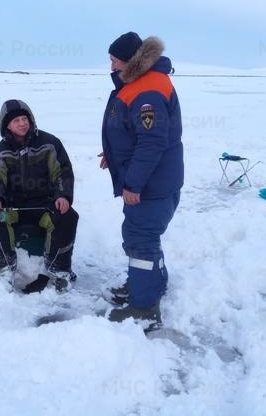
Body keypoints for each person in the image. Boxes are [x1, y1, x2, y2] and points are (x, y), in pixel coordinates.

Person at [99, 32, 184, 328]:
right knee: (145, 237)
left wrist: (133, 184)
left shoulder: (147, 90)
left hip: (151, 185)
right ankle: (149, 285)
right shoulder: (140, 82)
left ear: (130, 60)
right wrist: (113, 153)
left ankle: (144, 307)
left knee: (140, 239)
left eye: (113, 59)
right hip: (155, 180)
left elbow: (151, 143)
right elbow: (135, 134)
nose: (110, 65)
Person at [0, 99, 79, 291]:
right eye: (16, 121)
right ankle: (4, 269)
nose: (22, 123)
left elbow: (63, 173)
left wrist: (63, 195)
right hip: (13, 208)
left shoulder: (50, 143)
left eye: (25, 118)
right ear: (6, 125)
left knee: (67, 216)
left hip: (45, 206)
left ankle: (59, 271)